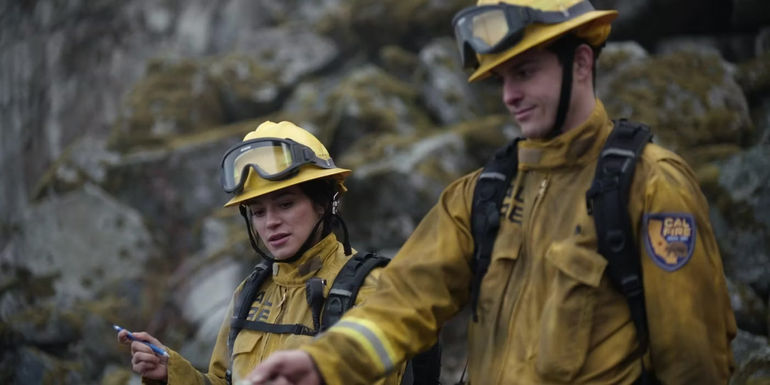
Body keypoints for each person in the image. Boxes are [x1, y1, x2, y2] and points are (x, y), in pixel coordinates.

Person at [242, 0, 737, 384]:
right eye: (501, 78)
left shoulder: (651, 186)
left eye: (525, 72)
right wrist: (324, 363)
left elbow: (692, 360)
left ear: (581, 63)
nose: (509, 96)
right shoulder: (480, 195)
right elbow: (402, 303)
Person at [117, 121, 407, 385]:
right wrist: (172, 373)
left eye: (286, 204)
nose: (270, 223)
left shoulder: (368, 289)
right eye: (257, 211)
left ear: (323, 203)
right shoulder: (249, 293)